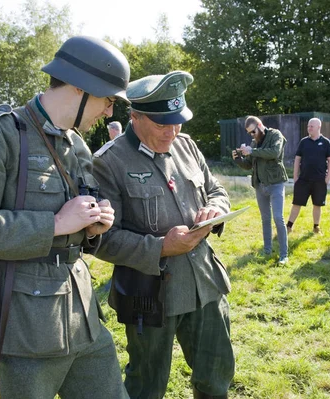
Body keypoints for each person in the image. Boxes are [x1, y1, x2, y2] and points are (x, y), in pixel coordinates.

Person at [0, 36, 131, 398]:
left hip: (83, 316)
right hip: (22, 325)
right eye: (107, 100)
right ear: (78, 87)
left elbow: (79, 219)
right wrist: (54, 225)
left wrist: (94, 225)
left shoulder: (77, 144)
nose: (109, 112)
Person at [92, 71, 234, 399]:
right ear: (136, 117)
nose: (172, 132)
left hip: (204, 284)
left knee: (216, 377)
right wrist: (160, 247)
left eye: (177, 122)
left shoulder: (185, 145)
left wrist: (215, 209)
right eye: (161, 124)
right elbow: (102, 238)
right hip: (149, 294)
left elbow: (216, 189)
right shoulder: (108, 163)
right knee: (147, 383)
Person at [232, 116, 288, 264]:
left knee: (278, 218)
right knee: (265, 219)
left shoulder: (276, 135)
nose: (252, 135)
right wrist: (238, 159)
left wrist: (252, 151)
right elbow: (248, 165)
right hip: (260, 185)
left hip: (276, 183)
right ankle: (267, 250)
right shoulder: (254, 142)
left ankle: (284, 255)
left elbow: (274, 153)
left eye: (253, 131)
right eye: (249, 133)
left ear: (260, 125)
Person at [286, 118, 330, 234]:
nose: (309, 128)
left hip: (319, 180)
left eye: (311, 126)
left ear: (318, 127)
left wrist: (328, 178)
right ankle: (289, 226)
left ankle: (316, 227)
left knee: (317, 204)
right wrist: (295, 176)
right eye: (308, 126)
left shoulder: (326, 142)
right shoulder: (304, 142)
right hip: (303, 179)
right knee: (296, 203)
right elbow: (297, 159)